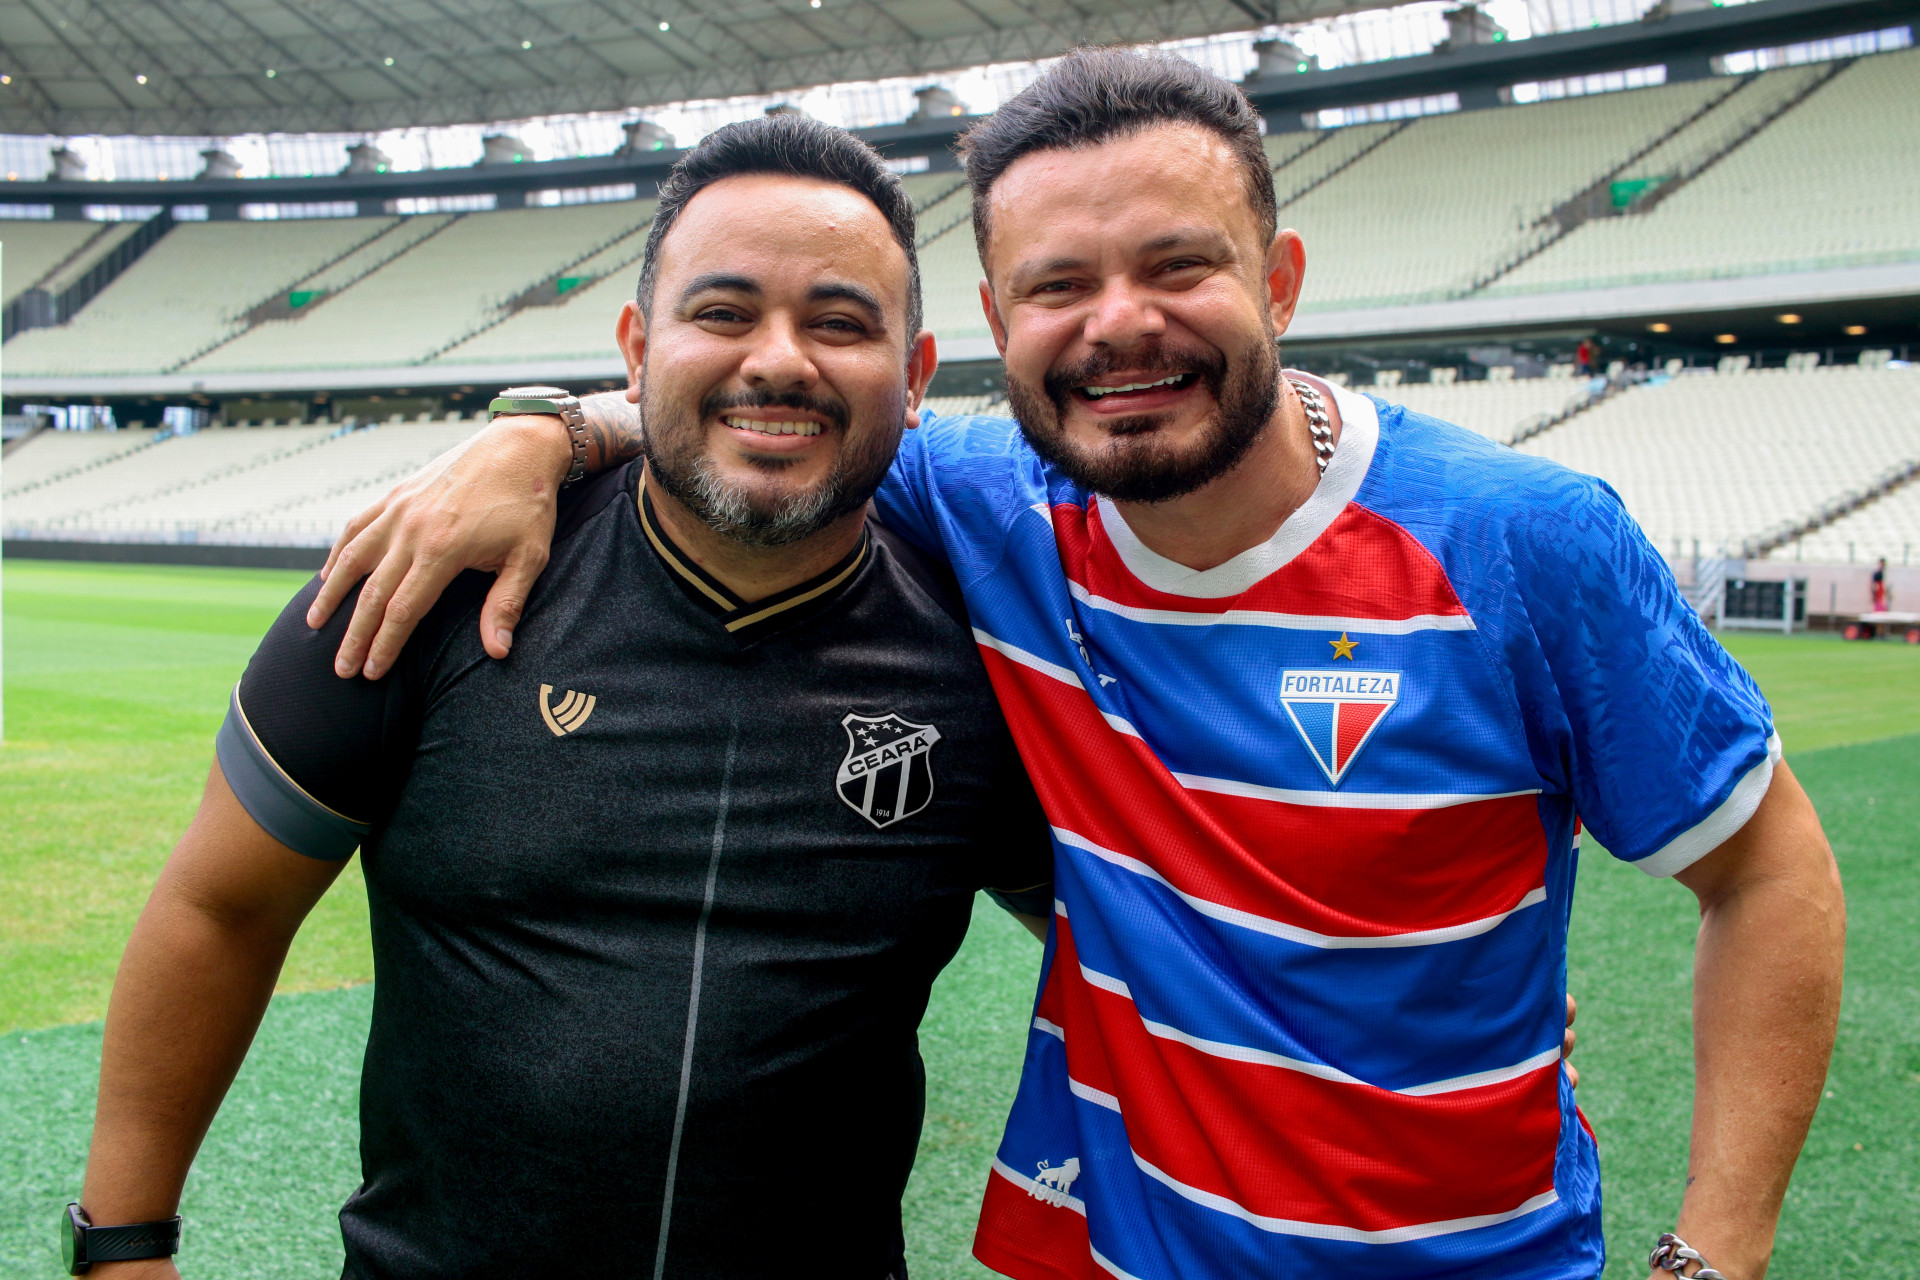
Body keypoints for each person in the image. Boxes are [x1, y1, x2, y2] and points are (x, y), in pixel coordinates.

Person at [313, 51, 1843, 1280]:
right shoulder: (991, 498)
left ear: (1282, 277)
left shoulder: (1523, 541)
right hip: (1106, 1246)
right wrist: (544, 428)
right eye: (1058, 287)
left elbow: (1767, 874)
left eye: (1177, 265)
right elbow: (766, 409)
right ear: (993, 324)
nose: (1120, 328)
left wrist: (1715, 1252)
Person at [65, 116, 1058, 1280]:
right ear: (637, 348)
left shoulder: (992, 656)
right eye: (722, 313)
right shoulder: (428, 584)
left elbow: (1126, 934)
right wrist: (119, 1244)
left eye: (841, 323)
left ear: (917, 372)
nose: (779, 358)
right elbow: (220, 906)